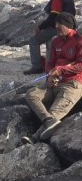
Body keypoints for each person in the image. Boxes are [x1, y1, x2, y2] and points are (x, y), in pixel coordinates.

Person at [23, 12, 82, 143]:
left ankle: (35, 138)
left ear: (68, 26)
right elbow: (50, 62)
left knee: (55, 110)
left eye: (59, 25)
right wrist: (49, 74)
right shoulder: (56, 42)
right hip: (54, 83)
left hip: (73, 83)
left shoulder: (79, 41)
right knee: (31, 94)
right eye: (56, 24)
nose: (56, 27)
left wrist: (61, 70)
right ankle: (47, 120)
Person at [26, 0, 76, 74]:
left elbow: (53, 16)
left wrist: (40, 27)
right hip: (70, 26)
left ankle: (37, 67)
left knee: (33, 40)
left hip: (60, 27)